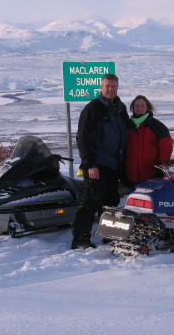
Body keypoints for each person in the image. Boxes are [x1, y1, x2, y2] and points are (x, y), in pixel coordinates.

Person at [71, 73, 129, 249]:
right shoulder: (93, 109)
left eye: (114, 86)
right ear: (101, 88)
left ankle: (110, 235)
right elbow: (82, 138)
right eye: (107, 86)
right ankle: (80, 239)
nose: (111, 89)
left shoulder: (120, 108)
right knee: (91, 200)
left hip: (113, 164)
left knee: (111, 200)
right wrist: (90, 164)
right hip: (97, 164)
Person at [125, 95, 173, 185]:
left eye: (142, 105)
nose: (139, 108)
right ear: (132, 108)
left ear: (148, 107)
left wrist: (164, 162)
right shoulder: (126, 125)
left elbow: (166, 145)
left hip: (151, 175)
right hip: (130, 175)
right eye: (136, 105)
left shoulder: (156, 126)